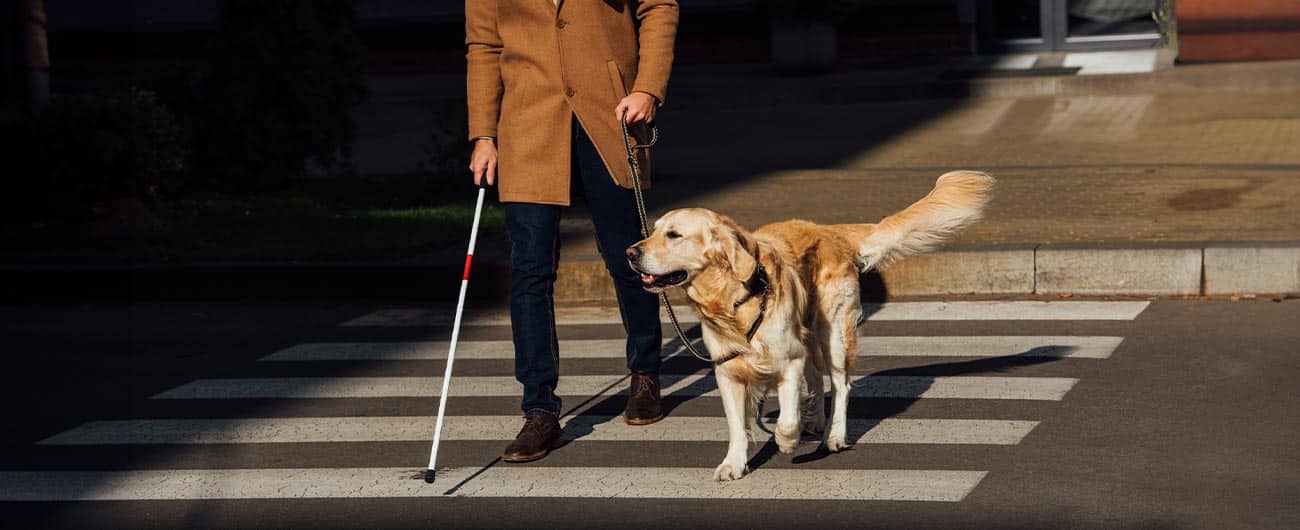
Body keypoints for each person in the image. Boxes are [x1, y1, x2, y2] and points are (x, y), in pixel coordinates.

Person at [464, 0, 680, 463]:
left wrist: (647, 89)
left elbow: (658, 6)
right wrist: (483, 134)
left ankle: (645, 370)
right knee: (530, 272)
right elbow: (483, 44)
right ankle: (539, 408)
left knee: (630, 258)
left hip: (610, 115)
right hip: (527, 124)